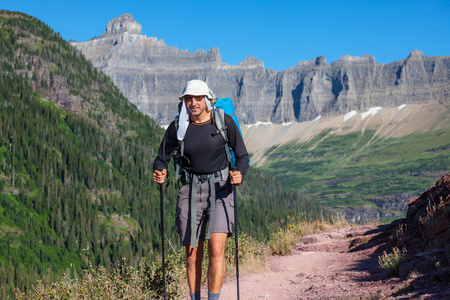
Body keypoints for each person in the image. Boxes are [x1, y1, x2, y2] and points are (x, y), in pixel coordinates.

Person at [153, 79, 249, 300]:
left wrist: (239, 173)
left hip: (221, 190)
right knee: (192, 253)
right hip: (190, 190)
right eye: (188, 99)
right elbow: (161, 158)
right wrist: (160, 170)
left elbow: (242, 155)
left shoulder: (223, 123)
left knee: (216, 248)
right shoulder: (177, 127)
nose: (193, 103)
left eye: (197, 98)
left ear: (207, 100)